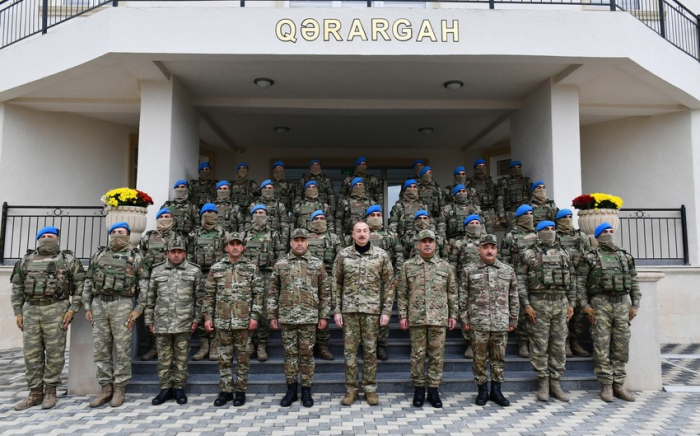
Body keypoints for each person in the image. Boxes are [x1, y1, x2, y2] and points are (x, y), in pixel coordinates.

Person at [11, 226, 85, 411]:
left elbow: (80, 286)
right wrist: (18, 312)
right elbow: (17, 287)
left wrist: (72, 309)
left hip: (56, 309)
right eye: (43, 236)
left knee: (55, 353)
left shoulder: (68, 260)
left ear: (57, 238)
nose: (46, 238)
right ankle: (35, 393)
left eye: (50, 236)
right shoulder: (25, 260)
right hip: (31, 310)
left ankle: (50, 391)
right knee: (31, 354)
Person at [83, 222, 149, 408]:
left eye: (121, 232)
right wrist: (87, 306)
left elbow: (144, 286)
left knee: (122, 349)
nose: (117, 235)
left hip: (123, 305)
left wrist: (138, 310)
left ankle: (120, 388)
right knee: (101, 349)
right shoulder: (99, 255)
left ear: (128, 236)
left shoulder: (136, 257)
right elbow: (88, 282)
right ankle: (106, 388)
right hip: (99, 304)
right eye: (114, 232)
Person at [332, 221, 394, 406]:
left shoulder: (381, 255)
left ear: (370, 233)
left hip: (372, 311)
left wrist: (386, 311)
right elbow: (336, 283)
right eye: (358, 231)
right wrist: (337, 310)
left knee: (370, 351)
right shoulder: (343, 255)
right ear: (352, 234)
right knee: (350, 352)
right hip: (349, 310)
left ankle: (370, 389)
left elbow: (389, 285)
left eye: (365, 231)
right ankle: (351, 390)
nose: (361, 234)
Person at [577, 222, 641, 403]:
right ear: (598, 236)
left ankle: (619, 385)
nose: (609, 234)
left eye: (611, 231)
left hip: (622, 305)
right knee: (601, 345)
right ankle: (606, 386)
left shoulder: (625, 257)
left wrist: (635, 304)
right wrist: (585, 305)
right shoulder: (590, 257)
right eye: (605, 232)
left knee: (621, 346)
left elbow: (634, 281)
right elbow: (580, 283)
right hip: (600, 304)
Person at [269, 228, 331, 408]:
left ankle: (306, 390)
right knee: (289, 355)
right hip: (287, 318)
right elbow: (273, 292)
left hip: (309, 317)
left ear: (307, 242)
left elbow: (325, 292)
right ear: (290, 243)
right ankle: (291, 390)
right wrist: (272, 314)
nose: (299, 243)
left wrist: (324, 315)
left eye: (302, 240)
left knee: (307, 355)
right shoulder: (281, 264)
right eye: (296, 240)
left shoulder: (317, 264)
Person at [397, 229, 458, 408]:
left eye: (430, 241)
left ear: (435, 244)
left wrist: (453, 314)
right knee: (417, 356)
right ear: (418, 244)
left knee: (436, 356)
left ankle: (433, 390)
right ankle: (418, 390)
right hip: (417, 318)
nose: (427, 244)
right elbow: (401, 293)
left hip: (438, 318)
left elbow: (452, 292)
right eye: (424, 241)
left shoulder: (445, 267)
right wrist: (402, 315)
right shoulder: (408, 266)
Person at [517, 221, 575, 402]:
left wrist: (571, 303)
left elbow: (572, 280)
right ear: (537, 233)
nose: (549, 232)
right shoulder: (528, 254)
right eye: (545, 229)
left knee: (558, 345)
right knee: (539, 345)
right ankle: (543, 382)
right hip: (538, 303)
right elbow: (520, 281)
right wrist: (526, 304)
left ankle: (556, 382)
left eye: (552, 229)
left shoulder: (565, 253)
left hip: (560, 303)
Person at [202, 232, 263, 407]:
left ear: (243, 247)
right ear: (226, 247)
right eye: (232, 244)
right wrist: (207, 317)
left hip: (244, 321)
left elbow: (258, 294)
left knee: (243, 358)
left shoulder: (251, 268)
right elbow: (208, 295)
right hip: (222, 321)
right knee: (224, 357)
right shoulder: (216, 268)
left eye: (238, 244)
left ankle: (241, 391)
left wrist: (255, 316)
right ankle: (226, 391)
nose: (235, 247)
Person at [461, 234, 518, 407]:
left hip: (501, 322)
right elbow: (462, 296)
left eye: (492, 247)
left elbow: (514, 296)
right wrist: (464, 319)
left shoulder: (507, 270)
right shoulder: (469, 270)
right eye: (485, 247)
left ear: (497, 250)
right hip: (478, 323)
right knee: (479, 358)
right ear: (479, 250)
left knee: (498, 358)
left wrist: (513, 319)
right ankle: (482, 390)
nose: (489, 250)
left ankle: (496, 390)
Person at [144, 236, 202, 406]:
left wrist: (196, 320)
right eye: (173, 252)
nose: (176, 255)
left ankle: (179, 388)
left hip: (184, 321)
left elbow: (199, 298)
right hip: (161, 322)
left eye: (180, 252)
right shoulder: (157, 271)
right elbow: (150, 298)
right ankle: (165, 388)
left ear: (185, 254)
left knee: (182, 358)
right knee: (163, 358)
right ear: (167, 253)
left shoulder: (194, 271)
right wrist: (149, 320)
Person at [244, 204, 286, 361]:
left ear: (267, 216)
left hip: (267, 275)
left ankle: (261, 344)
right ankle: (249, 343)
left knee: (264, 311)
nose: (259, 215)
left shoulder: (274, 234)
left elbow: (281, 255)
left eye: (262, 213)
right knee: (247, 309)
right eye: (256, 213)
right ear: (252, 215)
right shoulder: (245, 234)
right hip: (247, 276)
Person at [139, 207, 179, 361]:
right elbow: (142, 259)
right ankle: (154, 346)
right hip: (153, 281)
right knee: (154, 314)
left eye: (167, 216)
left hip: (174, 280)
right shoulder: (148, 238)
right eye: (161, 216)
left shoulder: (179, 237)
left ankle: (175, 349)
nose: (164, 218)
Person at [188, 203, 227, 361]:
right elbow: (189, 255)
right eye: (206, 212)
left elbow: (228, 254)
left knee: (218, 308)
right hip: (200, 275)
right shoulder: (194, 234)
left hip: (218, 276)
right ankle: (204, 345)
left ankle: (215, 345)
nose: (209, 214)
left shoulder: (224, 234)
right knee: (202, 308)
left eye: (212, 212)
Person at [366, 205, 404, 361]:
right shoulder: (361, 233)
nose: (375, 217)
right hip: (363, 282)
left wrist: (397, 277)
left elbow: (399, 257)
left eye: (378, 214)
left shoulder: (390, 235)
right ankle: (367, 346)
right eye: (372, 214)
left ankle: (381, 346)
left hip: (384, 281)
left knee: (383, 315)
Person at [500, 204, 537, 358]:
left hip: (537, 277)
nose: (529, 216)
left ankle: (535, 341)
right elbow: (504, 257)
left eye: (531, 213)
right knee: (522, 310)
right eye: (526, 214)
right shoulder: (511, 236)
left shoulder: (539, 234)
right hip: (518, 276)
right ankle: (522, 341)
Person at [306, 210, 343, 360]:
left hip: (327, 279)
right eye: (317, 218)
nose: (320, 220)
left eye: (322, 218)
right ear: (311, 221)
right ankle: (308, 346)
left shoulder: (333, 238)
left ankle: (322, 345)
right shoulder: (306, 238)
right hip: (308, 280)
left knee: (324, 312)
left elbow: (340, 259)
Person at [555, 209, 591, 357]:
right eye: (564, 217)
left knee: (578, 314)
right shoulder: (554, 236)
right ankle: (565, 343)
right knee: (564, 313)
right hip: (562, 280)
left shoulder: (581, 236)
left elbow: (588, 256)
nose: (568, 220)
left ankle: (575, 342)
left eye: (570, 217)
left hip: (579, 278)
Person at [450, 215, 483, 359]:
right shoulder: (459, 243)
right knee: (467, 314)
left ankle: (483, 344)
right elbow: (452, 264)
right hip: (466, 284)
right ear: (466, 226)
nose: (475, 225)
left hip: (486, 283)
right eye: (472, 223)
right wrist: (453, 283)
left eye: (477, 223)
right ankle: (469, 343)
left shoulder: (486, 241)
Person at [247, 179, 290, 245]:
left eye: (270, 188)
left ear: (273, 190)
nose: (267, 190)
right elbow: (248, 223)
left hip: (274, 238)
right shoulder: (254, 205)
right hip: (256, 238)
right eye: (265, 188)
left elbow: (285, 226)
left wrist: (283, 243)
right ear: (261, 190)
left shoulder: (279, 206)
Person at [335, 178, 376, 243]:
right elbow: (338, 219)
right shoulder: (345, 202)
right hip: (349, 236)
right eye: (356, 185)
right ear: (352, 187)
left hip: (366, 236)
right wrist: (339, 236)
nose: (358, 186)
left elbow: (375, 220)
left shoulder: (371, 203)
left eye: (360, 184)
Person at [443, 184, 482, 251]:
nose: (462, 193)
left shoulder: (475, 208)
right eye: (459, 191)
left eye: (464, 191)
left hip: (472, 241)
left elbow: (482, 227)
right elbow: (441, 228)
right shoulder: (448, 209)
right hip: (453, 242)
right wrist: (445, 244)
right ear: (454, 194)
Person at [496, 160, 532, 230]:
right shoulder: (504, 182)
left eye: (518, 167)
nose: (516, 169)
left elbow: (531, 196)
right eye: (514, 168)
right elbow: (500, 199)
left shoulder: (526, 182)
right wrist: (501, 216)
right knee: (511, 233)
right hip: (511, 212)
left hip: (524, 212)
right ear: (510, 169)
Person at [468, 159, 498, 234]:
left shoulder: (490, 183)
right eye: (479, 166)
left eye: (483, 166)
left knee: (490, 233)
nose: (481, 168)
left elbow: (496, 198)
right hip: (476, 211)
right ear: (475, 168)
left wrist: (496, 213)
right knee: (477, 233)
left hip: (489, 212)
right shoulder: (469, 183)